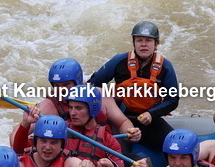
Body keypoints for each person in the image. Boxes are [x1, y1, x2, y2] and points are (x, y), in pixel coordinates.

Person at [11, 58, 140, 152]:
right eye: (57, 85)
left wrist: (130, 132)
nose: (61, 89)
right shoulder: (49, 106)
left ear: (78, 82)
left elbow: (122, 122)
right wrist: (25, 124)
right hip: (74, 156)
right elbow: (15, 136)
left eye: (66, 84)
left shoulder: (99, 95)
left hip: (105, 147)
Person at [89, 21, 179, 150]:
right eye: (139, 40)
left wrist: (151, 114)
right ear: (134, 43)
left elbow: (173, 100)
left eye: (148, 40)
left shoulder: (165, 66)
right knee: (116, 151)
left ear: (156, 44)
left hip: (148, 120)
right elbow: (93, 85)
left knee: (174, 144)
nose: (143, 44)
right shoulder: (119, 60)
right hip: (119, 119)